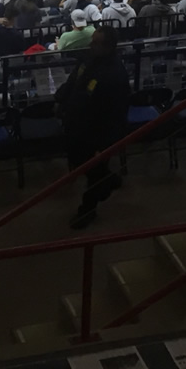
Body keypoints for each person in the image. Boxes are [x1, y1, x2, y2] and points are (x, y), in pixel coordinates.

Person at [57, 26, 130, 230]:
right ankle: (111, 180)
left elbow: (116, 114)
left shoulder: (115, 75)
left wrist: (106, 144)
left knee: (94, 173)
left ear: (108, 47)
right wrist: (60, 99)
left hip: (95, 133)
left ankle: (87, 211)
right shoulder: (88, 58)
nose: (91, 44)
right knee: (85, 165)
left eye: (96, 42)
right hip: (77, 125)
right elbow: (75, 80)